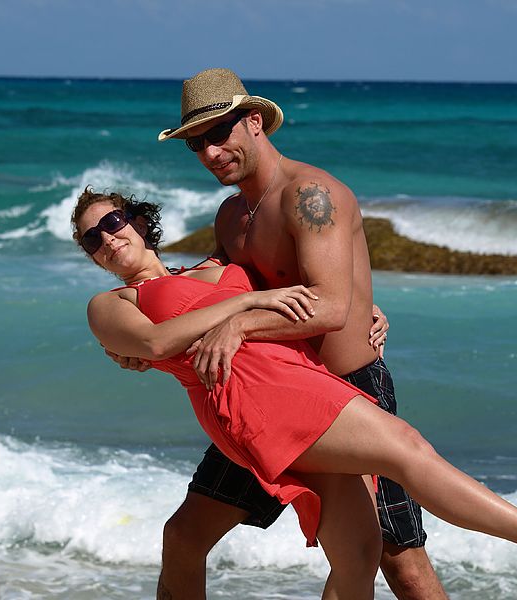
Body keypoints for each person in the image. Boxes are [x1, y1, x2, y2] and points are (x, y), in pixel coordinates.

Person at [72, 190, 517, 599]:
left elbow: (312, 294)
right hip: (255, 403)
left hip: (303, 380)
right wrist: (242, 306)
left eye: (113, 221)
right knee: (405, 448)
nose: (108, 238)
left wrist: (357, 314)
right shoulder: (113, 305)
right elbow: (156, 339)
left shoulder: (219, 264)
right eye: (91, 238)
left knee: (359, 558)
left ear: (140, 221)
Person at [154, 67, 449, 599]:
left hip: (346, 394)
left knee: (396, 560)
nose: (211, 153)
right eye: (197, 144)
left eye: (220, 134)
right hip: (271, 396)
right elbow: (196, 292)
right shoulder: (230, 218)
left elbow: (331, 307)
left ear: (254, 122)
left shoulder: (310, 194)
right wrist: (138, 343)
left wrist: (241, 325)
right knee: (184, 536)